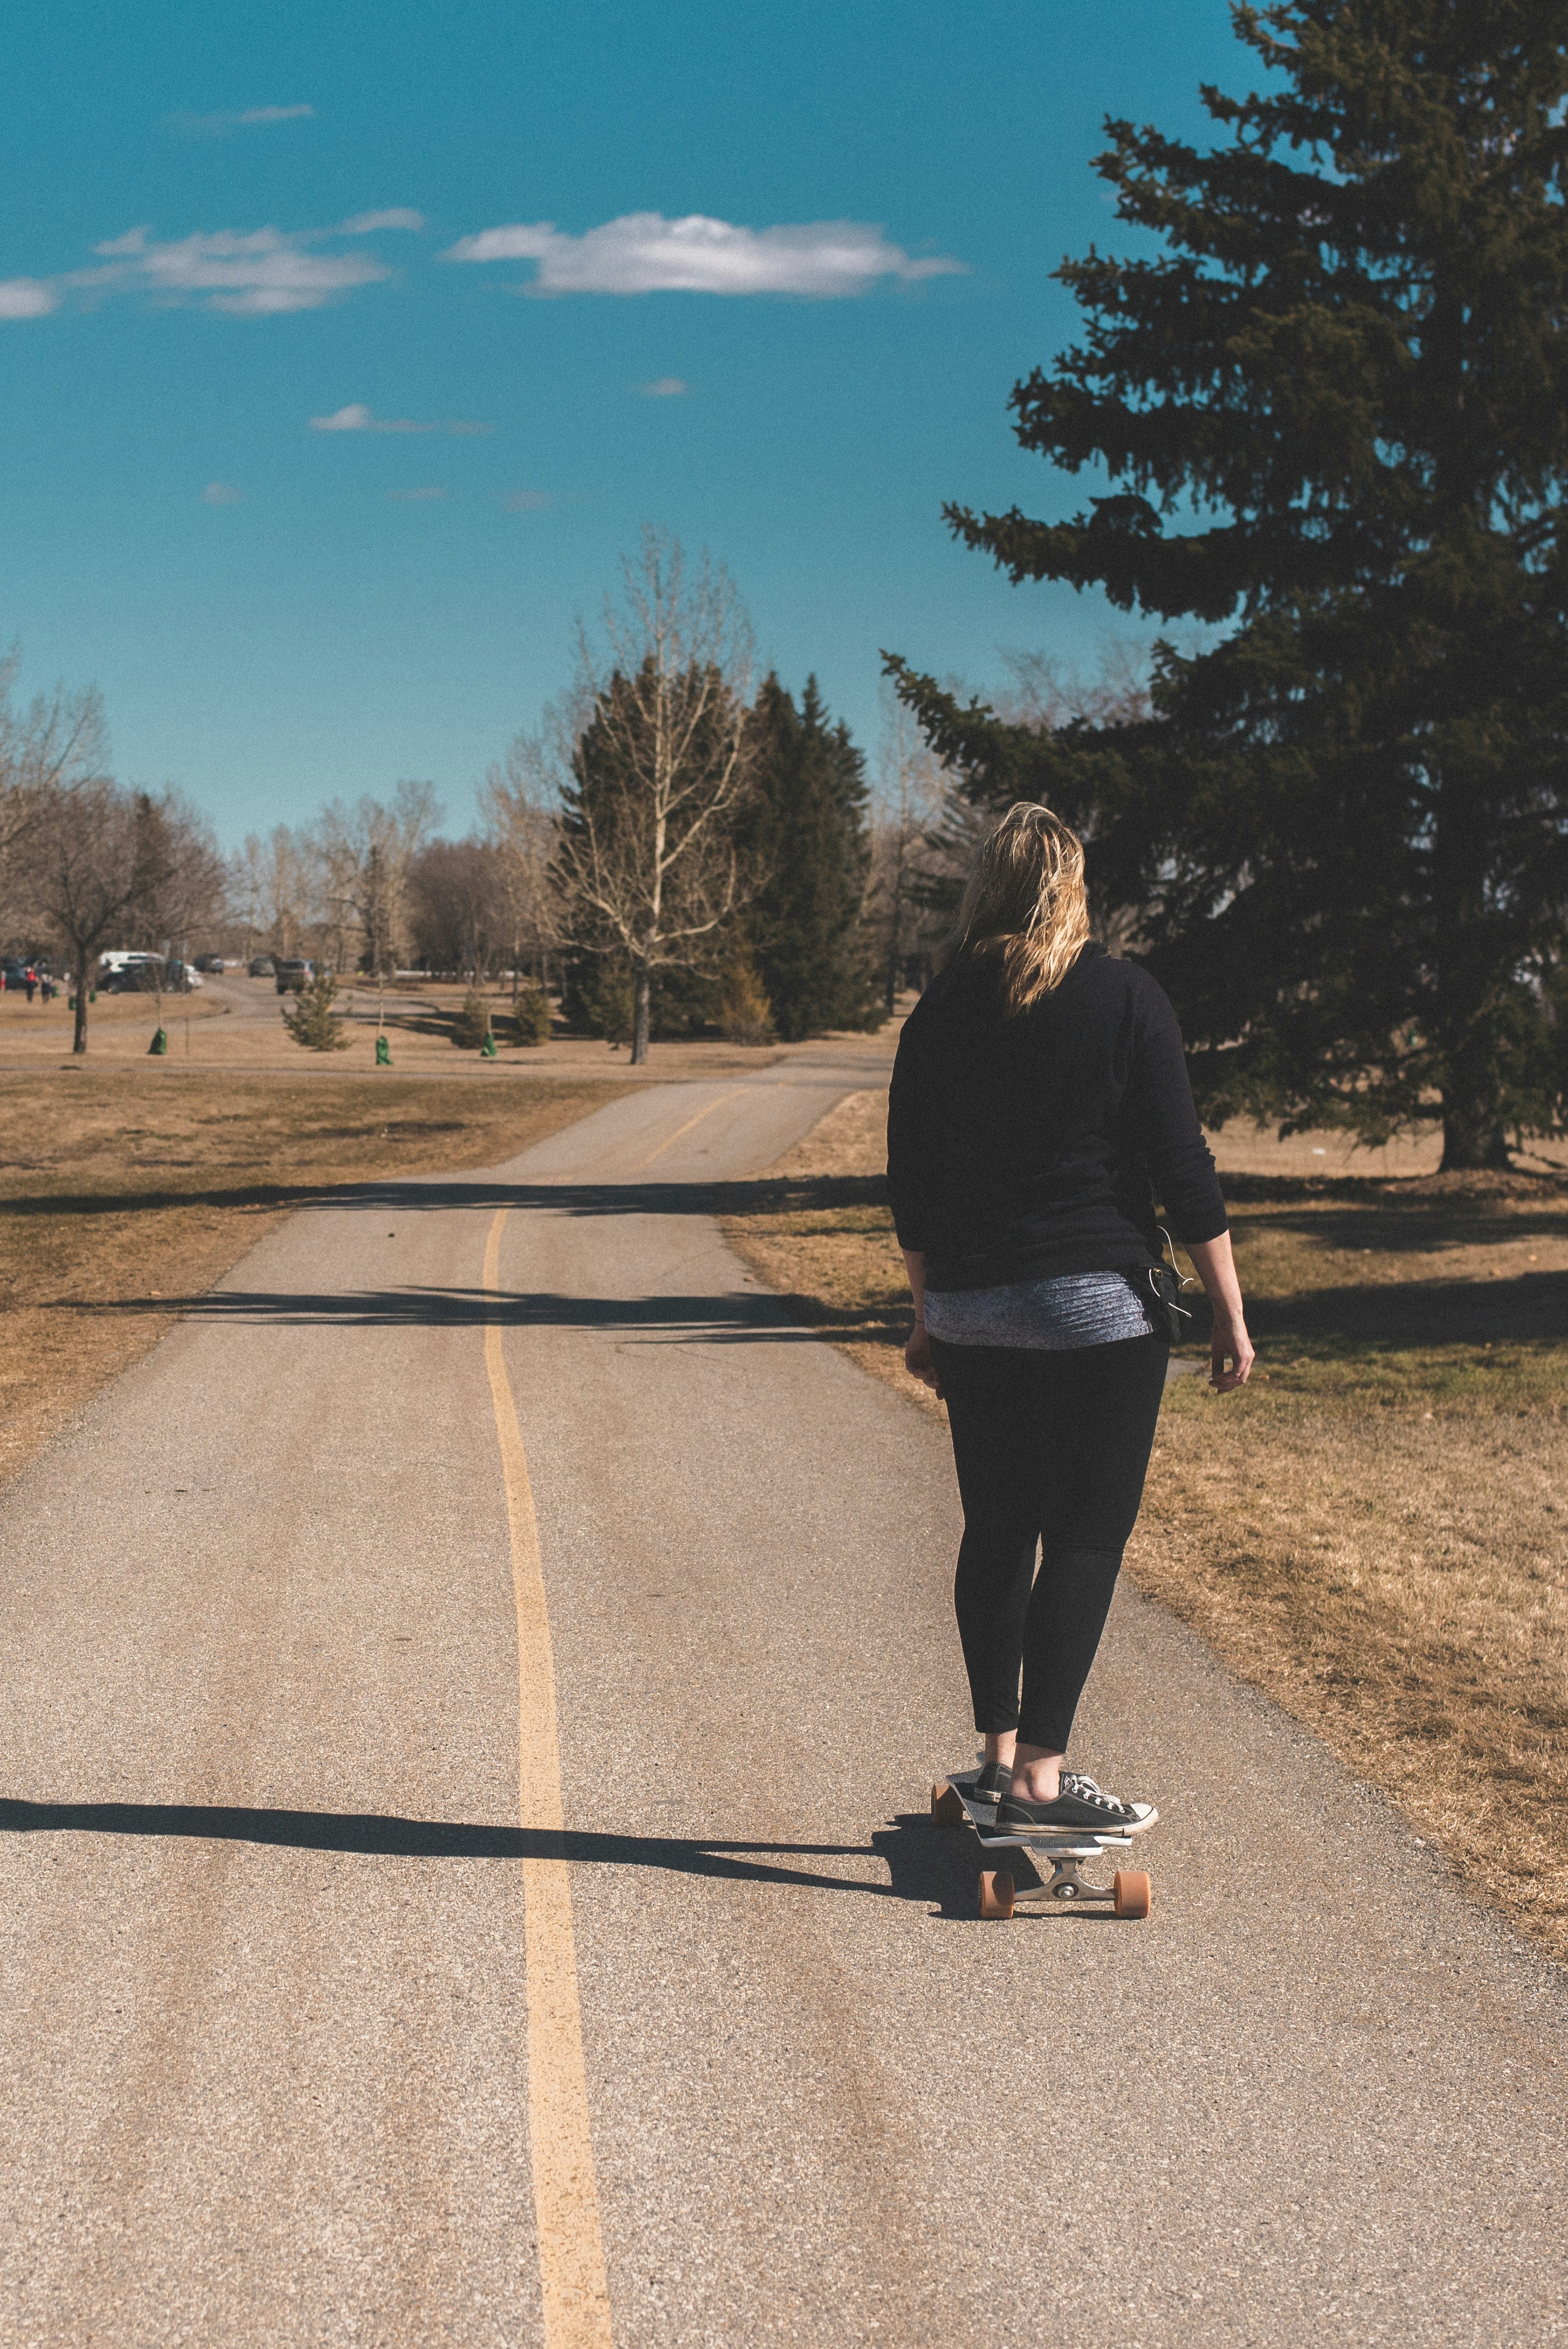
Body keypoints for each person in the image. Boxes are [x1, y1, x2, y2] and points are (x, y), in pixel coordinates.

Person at [887, 803, 1253, 1835]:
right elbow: (1182, 1168)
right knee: (1084, 1538)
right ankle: (1043, 1781)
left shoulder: (937, 1009)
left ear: (986, 887)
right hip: (1096, 1307)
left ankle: (997, 1759)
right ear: (1072, 885)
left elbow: (910, 1185)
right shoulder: (1124, 996)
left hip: (971, 1307)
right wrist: (1228, 1311)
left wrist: (926, 1317)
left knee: (997, 1527)